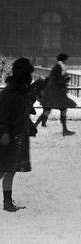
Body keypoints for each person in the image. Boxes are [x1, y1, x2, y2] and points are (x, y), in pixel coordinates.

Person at [0, 58, 35, 212]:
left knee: (9, 169)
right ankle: (7, 203)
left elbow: (21, 112)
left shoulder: (18, 90)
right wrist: (5, 131)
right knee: (5, 169)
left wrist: (30, 125)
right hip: (8, 137)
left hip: (13, 136)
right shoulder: (13, 92)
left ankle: (8, 203)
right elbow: (5, 114)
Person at [35, 54, 77, 136]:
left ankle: (34, 126)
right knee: (61, 109)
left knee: (48, 110)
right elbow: (58, 80)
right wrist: (65, 79)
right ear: (64, 59)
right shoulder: (60, 67)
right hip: (56, 93)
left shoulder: (57, 67)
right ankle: (65, 130)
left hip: (52, 92)